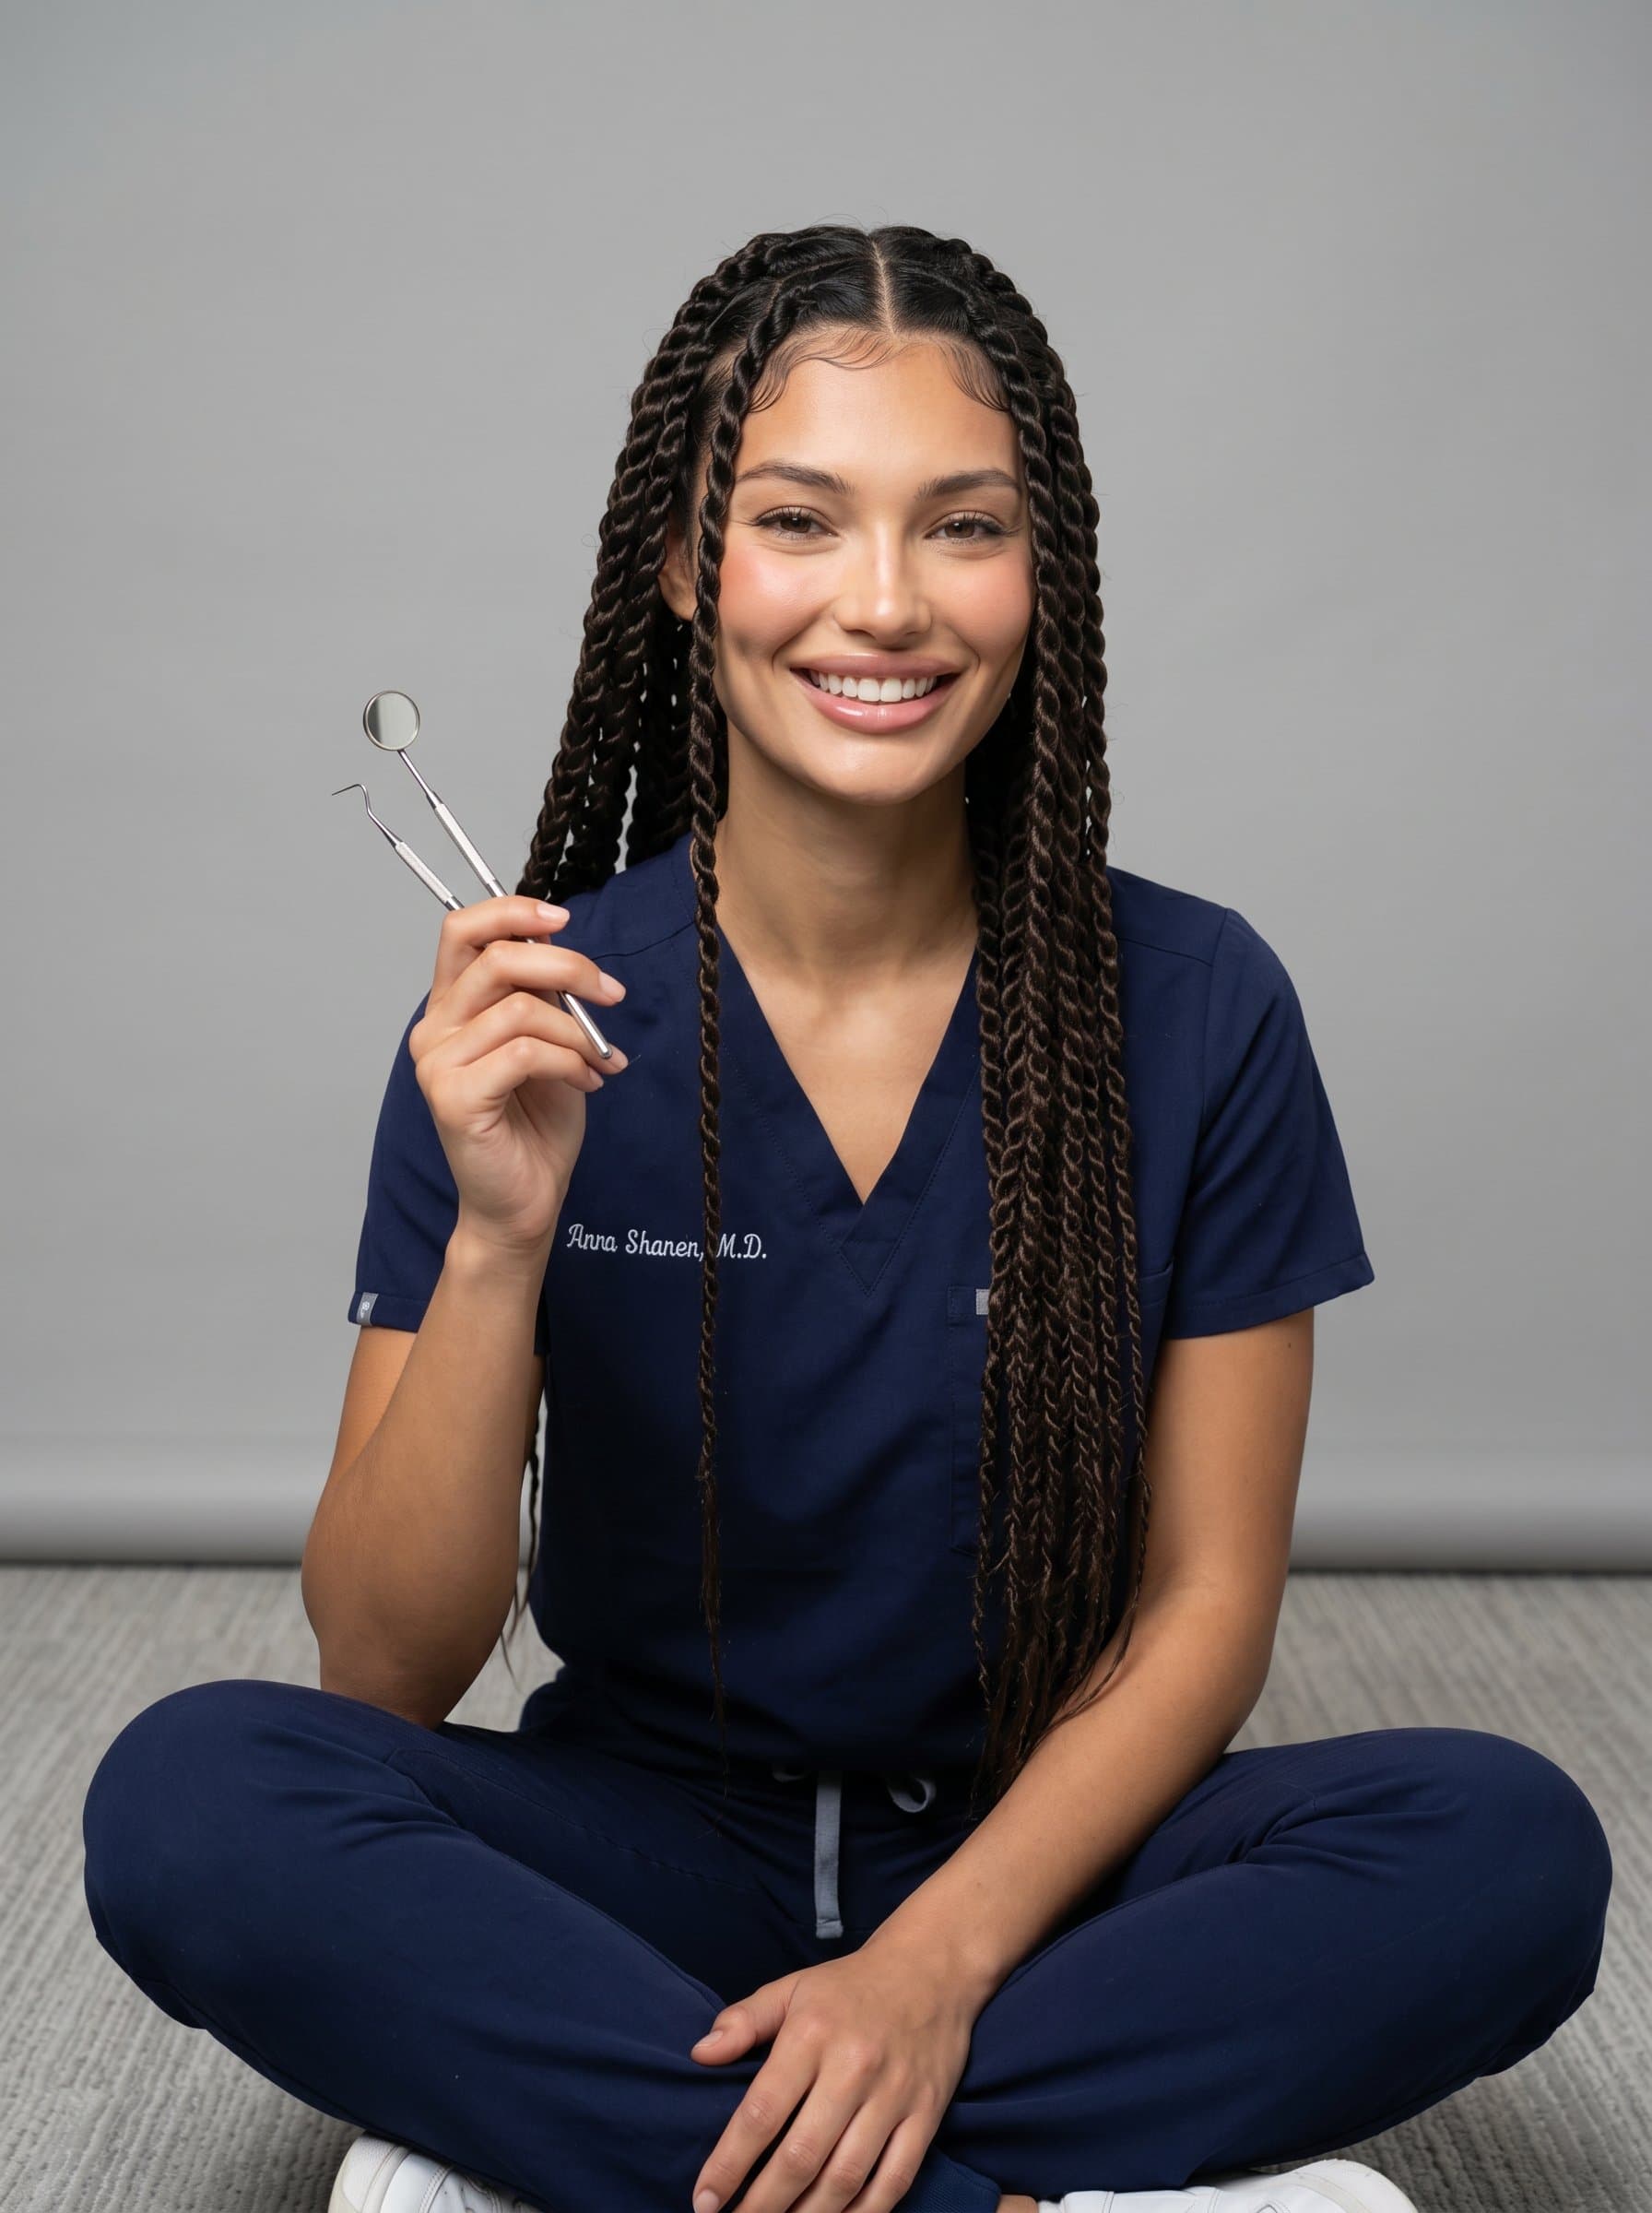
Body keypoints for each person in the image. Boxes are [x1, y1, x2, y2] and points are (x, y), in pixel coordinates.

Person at [81, 222, 1611, 2213]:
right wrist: (497, 1234)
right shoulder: (526, 1023)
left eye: (958, 528)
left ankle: (605, 2150)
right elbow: (381, 1666)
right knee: (193, 1802)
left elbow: (1203, 1609)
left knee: (1501, 1845)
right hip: (640, 1850)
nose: (879, 604)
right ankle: (998, 2189)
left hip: (1032, 1873)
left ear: (1035, 570)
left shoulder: (1200, 1005)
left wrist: (929, 1963)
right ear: (680, 562)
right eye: (798, 520)